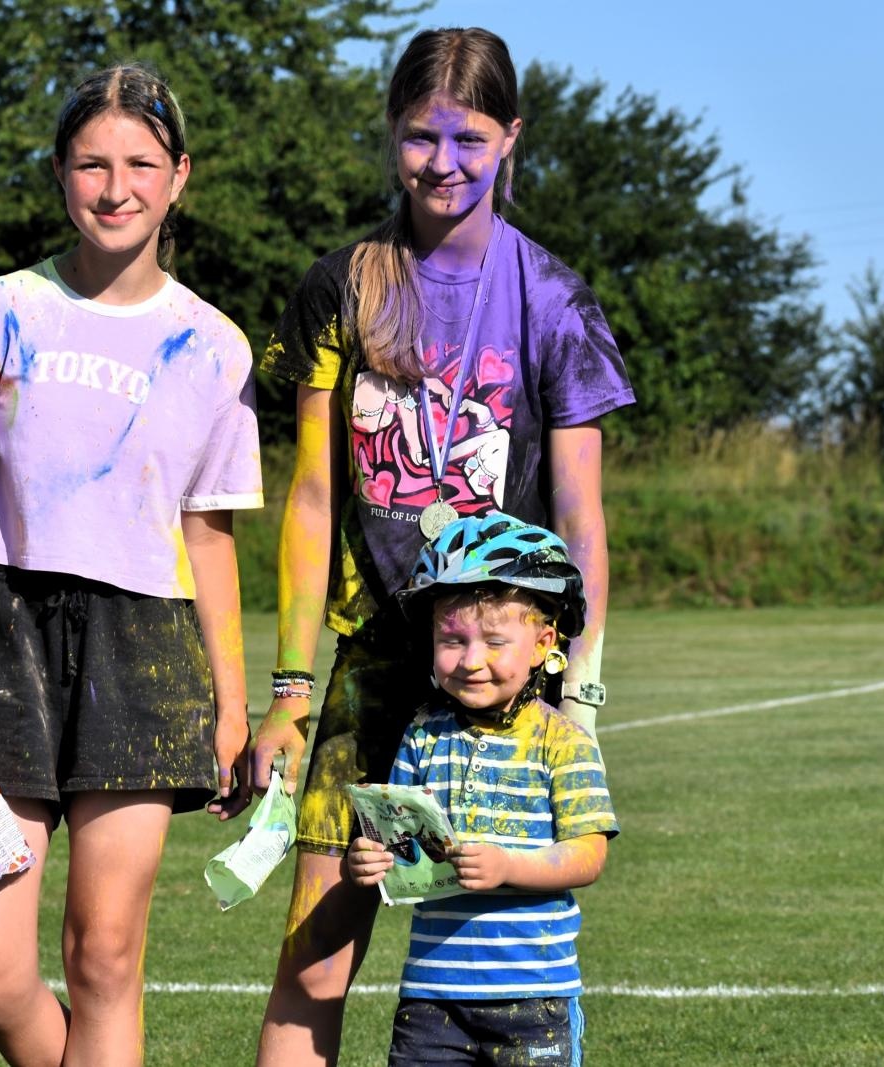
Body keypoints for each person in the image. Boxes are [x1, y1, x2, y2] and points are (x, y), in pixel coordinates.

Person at [250, 26, 636, 1065]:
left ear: (510, 137)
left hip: (500, 666)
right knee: (315, 956)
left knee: (486, 957)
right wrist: (290, 689)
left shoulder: (553, 299)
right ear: (392, 136)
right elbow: (311, 494)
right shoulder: (341, 288)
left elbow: (582, 515)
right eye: (422, 136)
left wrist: (576, 693)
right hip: (375, 666)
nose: (444, 162)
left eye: (469, 137)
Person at [0, 63, 262, 1065]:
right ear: (60, 175)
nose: (116, 187)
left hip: (145, 645)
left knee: (104, 955)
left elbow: (209, 535)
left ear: (179, 174)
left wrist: (231, 700)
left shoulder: (214, 346)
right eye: (91, 164)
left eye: (140, 163)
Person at [347, 512, 618, 1065]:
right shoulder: (422, 734)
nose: (471, 661)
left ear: (544, 643)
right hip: (431, 1000)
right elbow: (403, 845)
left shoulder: (562, 741)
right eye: (452, 640)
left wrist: (507, 868)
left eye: (496, 641)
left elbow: (589, 854)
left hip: (533, 998)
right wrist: (370, 861)